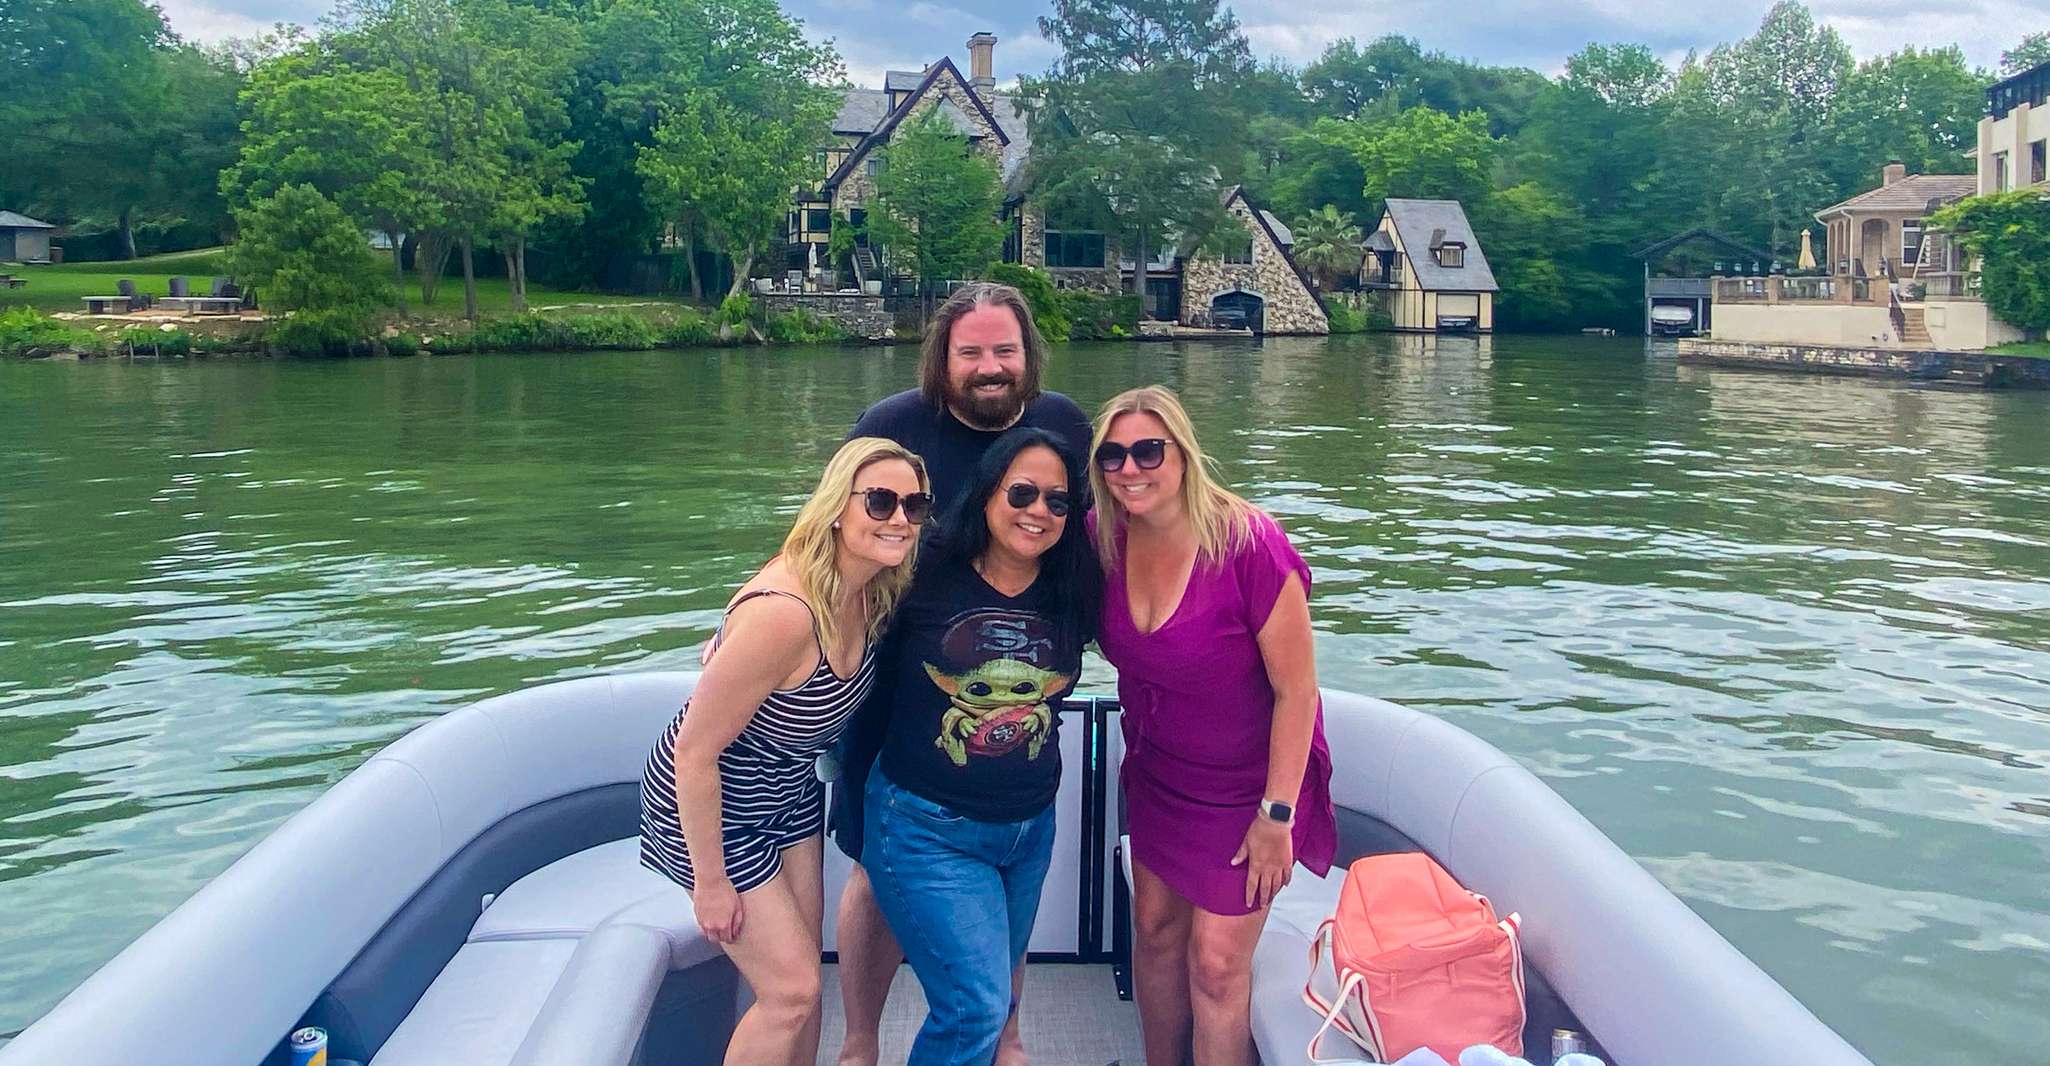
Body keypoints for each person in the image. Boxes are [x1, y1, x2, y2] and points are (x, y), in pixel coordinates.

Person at [832, 282, 1091, 1066]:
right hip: (887, 691)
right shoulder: (893, 425)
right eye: (970, 351)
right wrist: (750, 619)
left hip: (1011, 697)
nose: (989, 367)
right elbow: (823, 533)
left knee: (999, 916)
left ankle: (1003, 1035)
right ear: (941, 358)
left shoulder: (1064, 427)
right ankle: (860, 1040)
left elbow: (1110, 533)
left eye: (1004, 350)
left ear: (1028, 355)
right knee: (874, 871)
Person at [641, 437, 933, 1066]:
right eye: (880, 501)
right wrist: (710, 883)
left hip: (789, 787)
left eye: (914, 504)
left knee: (808, 987)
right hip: (711, 800)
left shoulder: (870, 590)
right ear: (836, 506)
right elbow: (694, 753)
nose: (900, 519)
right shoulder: (786, 613)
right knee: (791, 991)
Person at [1088, 385, 1337, 1066]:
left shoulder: (1250, 545)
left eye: (1147, 451)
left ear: (1184, 455)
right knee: (1155, 933)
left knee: (1218, 965)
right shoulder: (1100, 536)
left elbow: (1297, 691)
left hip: (1250, 791)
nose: (1129, 469)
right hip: (1159, 775)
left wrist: (1277, 815)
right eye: (1112, 455)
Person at [862, 427, 1102, 1065]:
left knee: (996, 1003)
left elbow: (1165, 627)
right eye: (1022, 492)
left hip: (1029, 829)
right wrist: (739, 626)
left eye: (1057, 501)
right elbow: (827, 583)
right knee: (975, 1008)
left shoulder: (1077, 585)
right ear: (988, 493)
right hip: (924, 825)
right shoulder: (924, 569)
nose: (1039, 511)